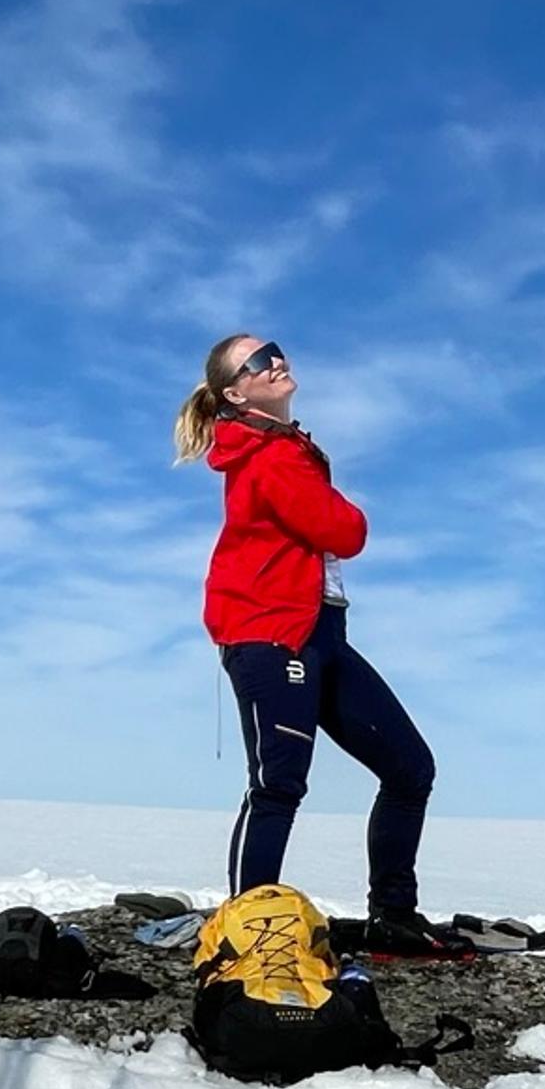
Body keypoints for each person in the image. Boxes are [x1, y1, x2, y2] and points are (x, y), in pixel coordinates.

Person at [175, 333, 444, 954]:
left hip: (321, 632)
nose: (277, 360)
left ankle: (393, 917)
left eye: (275, 349)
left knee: (410, 768)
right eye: (258, 360)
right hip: (270, 633)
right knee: (278, 784)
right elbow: (344, 530)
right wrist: (340, 507)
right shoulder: (267, 457)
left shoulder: (287, 449)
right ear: (235, 392)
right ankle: (245, 933)